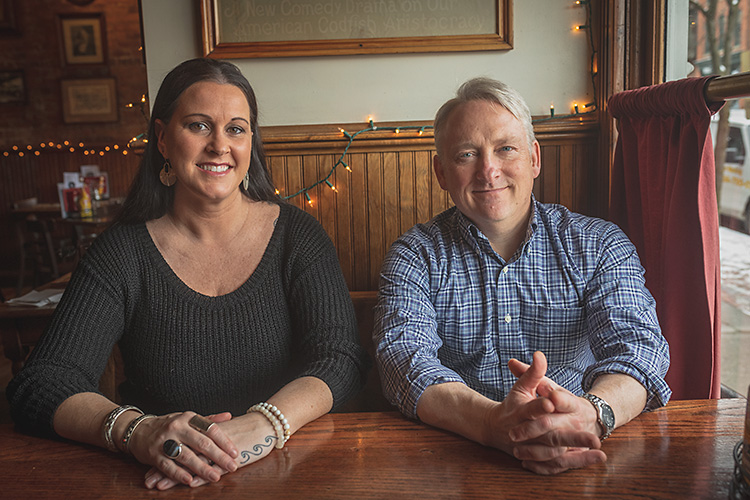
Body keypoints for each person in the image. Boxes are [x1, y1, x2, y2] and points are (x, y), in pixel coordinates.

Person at [7, 58, 369, 490]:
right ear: (162, 138)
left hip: (290, 474)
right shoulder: (121, 253)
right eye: (198, 126)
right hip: (161, 481)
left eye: (236, 128)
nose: (219, 145)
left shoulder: (298, 237)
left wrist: (264, 423)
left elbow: (340, 359)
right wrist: (138, 432)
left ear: (251, 142)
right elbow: (43, 383)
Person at [373, 77, 671, 475]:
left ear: (534, 158)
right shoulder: (415, 254)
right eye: (466, 155)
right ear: (442, 172)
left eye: (505, 149)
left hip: (582, 448)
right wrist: (490, 424)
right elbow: (402, 360)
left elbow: (639, 350)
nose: (488, 170)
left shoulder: (599, 244)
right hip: (459, 458)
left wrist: (592, 414)